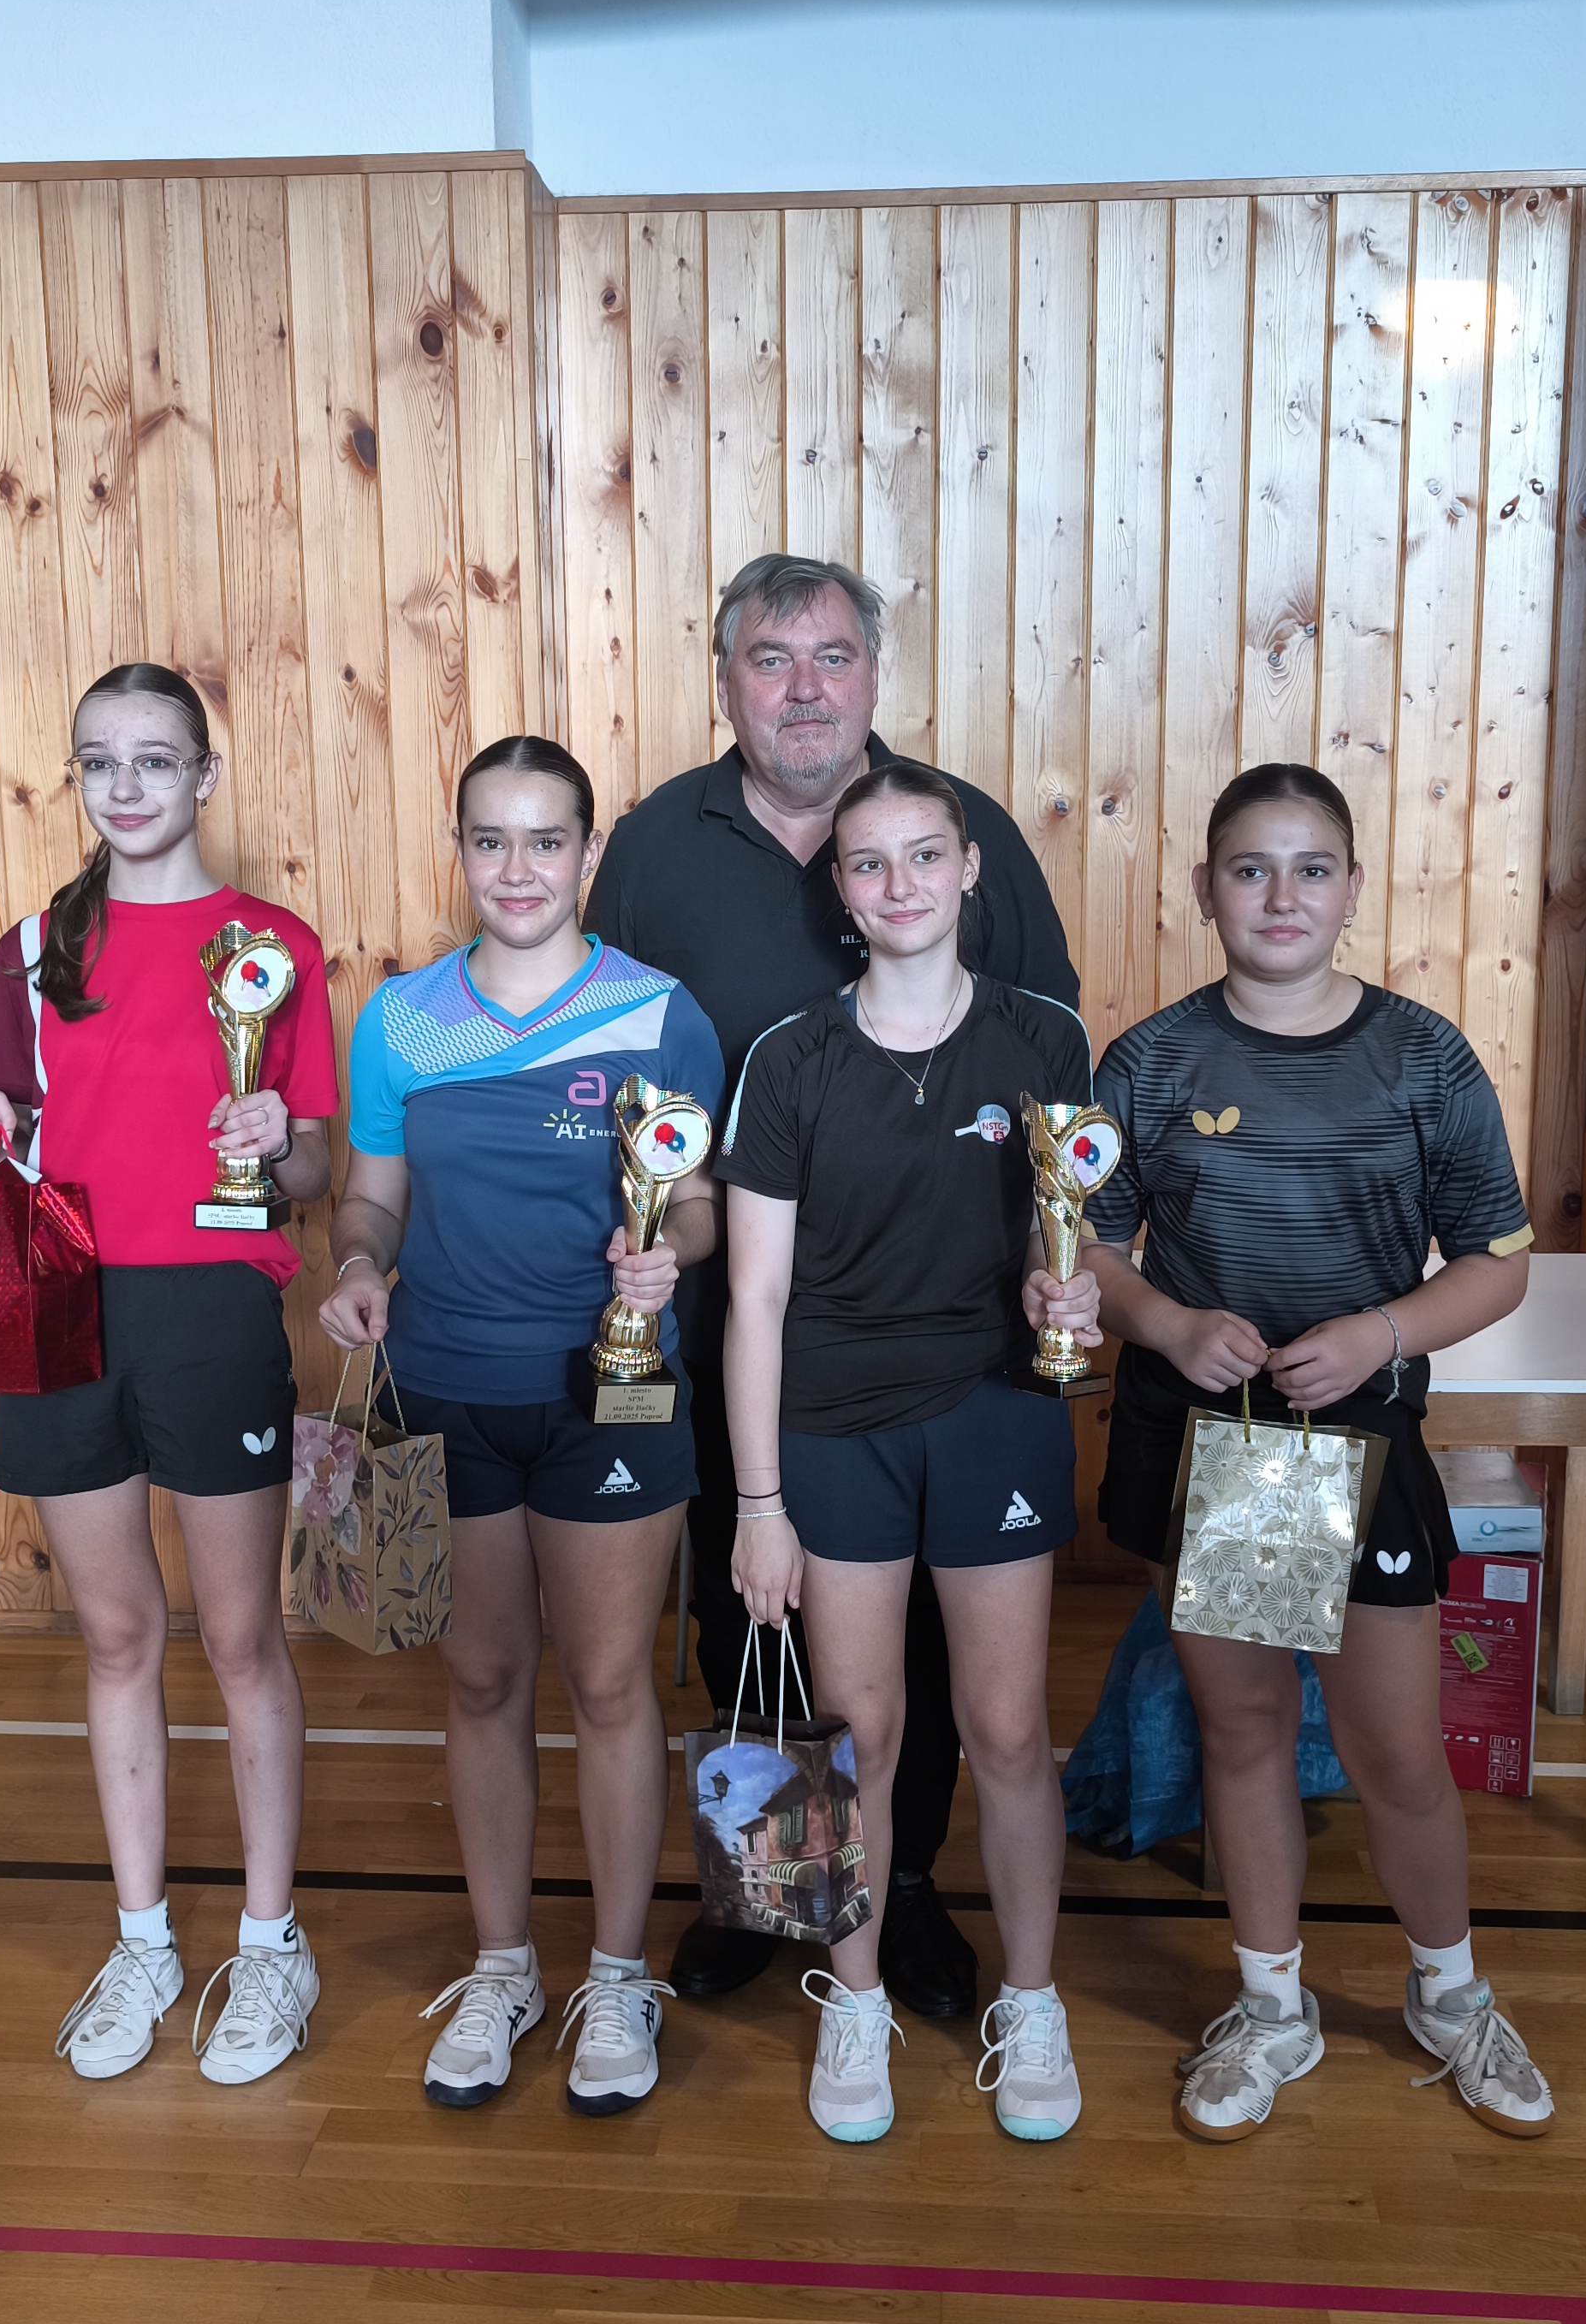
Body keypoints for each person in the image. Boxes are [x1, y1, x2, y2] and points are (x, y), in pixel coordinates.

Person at [586, 552, 1081, 2023]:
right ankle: (769, 1890)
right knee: (751, 1618)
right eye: (771, 659)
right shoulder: (656, 844)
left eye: (833, 657)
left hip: (955, 1342)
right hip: (737, 1318)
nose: (804, 689)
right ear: (725, 679)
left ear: (874, 676)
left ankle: (901, 1882)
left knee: (924, 1655)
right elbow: (613, 1050)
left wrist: (1060, 1282)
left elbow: (1052, 1095)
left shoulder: (965, 827)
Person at [1078, 762, 1553, 2144]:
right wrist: (1169, 1323)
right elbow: (1089, 1249)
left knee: (1394, 1750)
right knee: (1244, 1734)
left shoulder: (1424, 1057)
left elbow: (1499, 1263)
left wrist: (1380, 1334)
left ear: (1351, 889)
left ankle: (1451, 1998)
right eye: (1250, 868)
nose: (1280, 896)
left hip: (1356, 1438)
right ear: (1206, 889)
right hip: (1224, 1448)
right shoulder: (1150, 1061)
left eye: (1311, 868)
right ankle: (1272, 2007)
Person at [0, 661, 334, 2094]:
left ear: (205, 776)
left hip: (211, 1301)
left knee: (242, 1639)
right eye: (99, 761)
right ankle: (146, 1940)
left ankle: (272, 1944)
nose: (126, 786)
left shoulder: (275, 945)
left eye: (156, 759)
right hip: (54, 1291)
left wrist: (279, 1136)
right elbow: (9, 1127)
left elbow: (314, 1167)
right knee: (114, 1636)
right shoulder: (33, 947)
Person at [319, 736, 724, 2115]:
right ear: (460, 851)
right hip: (444, 1391)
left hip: (613, 1397)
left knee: (610, 1689)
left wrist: (670, 1254)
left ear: (588, 853)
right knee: (484, 1684)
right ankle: (504, 1968)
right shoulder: (401, 1020)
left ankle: (616, 1975)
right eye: (489, 839)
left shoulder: (660, 1014)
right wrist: (359, 1266)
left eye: (546, 840)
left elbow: (698, 1201)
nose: (517, 868)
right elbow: (370, 1194)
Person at [716, 757, 1101, 2144]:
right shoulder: (789, 1059)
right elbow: (756, 1299)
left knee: (1006, 1730)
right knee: (858, 1735)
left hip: (997, 1415)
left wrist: (1074, 1295)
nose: (899, 884)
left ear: (969, 868)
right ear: (840, 886)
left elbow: (1076, 1238)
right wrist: (760, 1503)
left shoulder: (1045, 1040)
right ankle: (856, 1997)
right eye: (869, 862)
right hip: (834, 1434)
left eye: (925, 856)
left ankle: (1035, 2002)